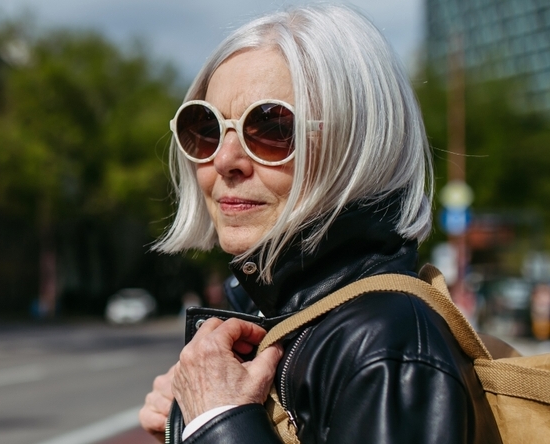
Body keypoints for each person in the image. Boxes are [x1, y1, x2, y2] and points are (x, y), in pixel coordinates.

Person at [138, 4, 501, 443]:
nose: (224, 160)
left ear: (356, 144)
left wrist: (216, 420)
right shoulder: (283, 312)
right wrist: (188, 422)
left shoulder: (386, 346)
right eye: (206, 127)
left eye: (270, 128)